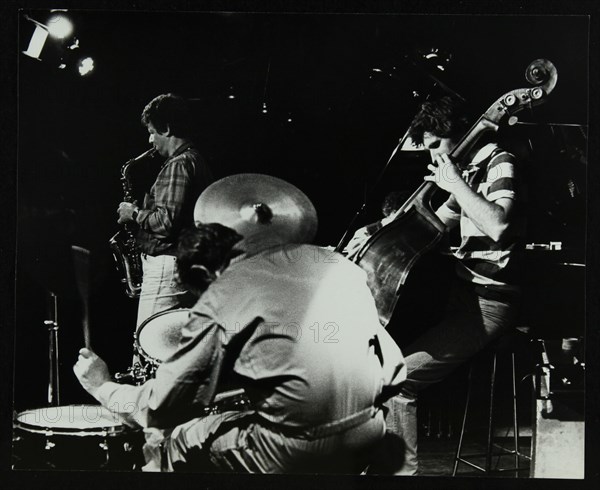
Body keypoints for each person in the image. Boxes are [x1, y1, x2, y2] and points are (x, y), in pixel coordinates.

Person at [75, 175, 407, 473]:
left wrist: (102, 386)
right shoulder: (339, 265)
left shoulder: (226, 290)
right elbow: (394, 371)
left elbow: (160, 406)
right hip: (370, 433)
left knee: (173, 439)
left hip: (296, 451)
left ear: (206, 275)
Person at [361, 95, 526, 474]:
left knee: (397, 381)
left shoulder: (500, 163)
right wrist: (370, 233)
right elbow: (431, 225)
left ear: (461, 133)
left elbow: (498, 225)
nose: (433, 154)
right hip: (460, 297)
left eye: (436, 144)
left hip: (488, 304)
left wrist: (455, 183)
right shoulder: (468, 170)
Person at [117, 93, 214, 328]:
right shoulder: (195, 160)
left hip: (167, 269)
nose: (150, 140)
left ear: (167, 128)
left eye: (152, 132)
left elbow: (166, 223)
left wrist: (134, 213)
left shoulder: (179, 164)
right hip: (185, 267)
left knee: (146, 347)